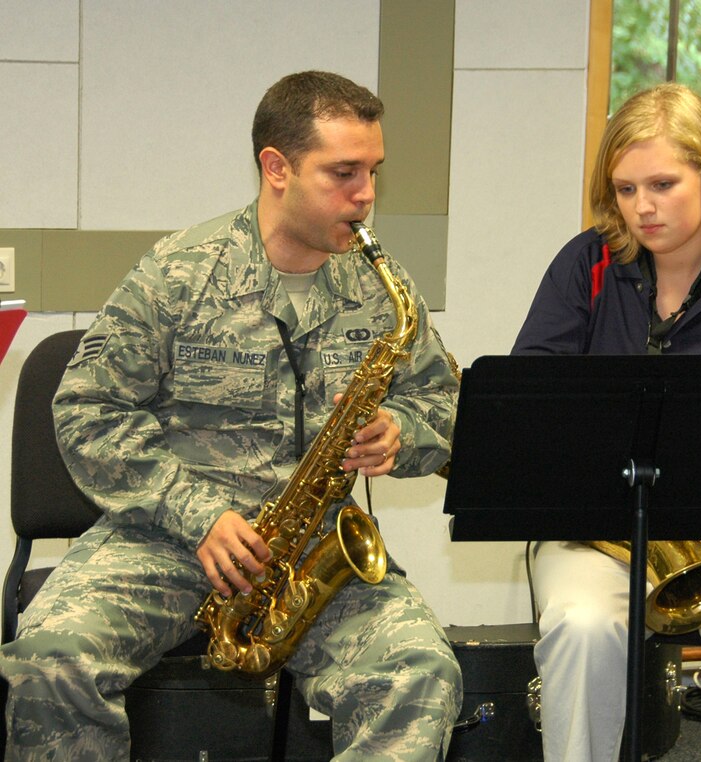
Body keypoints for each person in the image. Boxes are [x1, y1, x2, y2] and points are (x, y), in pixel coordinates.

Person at [0, 71, 461, 761]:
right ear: (276, 167)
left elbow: (441, 403)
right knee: (49, 658)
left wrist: (404, 432)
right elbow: (87, 409)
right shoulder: (180, 272)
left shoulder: (381, 288)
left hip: (312, 551)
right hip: (165, 540)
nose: (366, 194)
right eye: (343, 172)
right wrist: (197, 514)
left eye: (373, 171)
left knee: (420, 672)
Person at [513, 82, 701, 762]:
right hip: (597, 526)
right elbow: (534, 405)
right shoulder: (583, 266)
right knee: (580, 628)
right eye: (624, 190)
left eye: (661, 184)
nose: (641, 208)